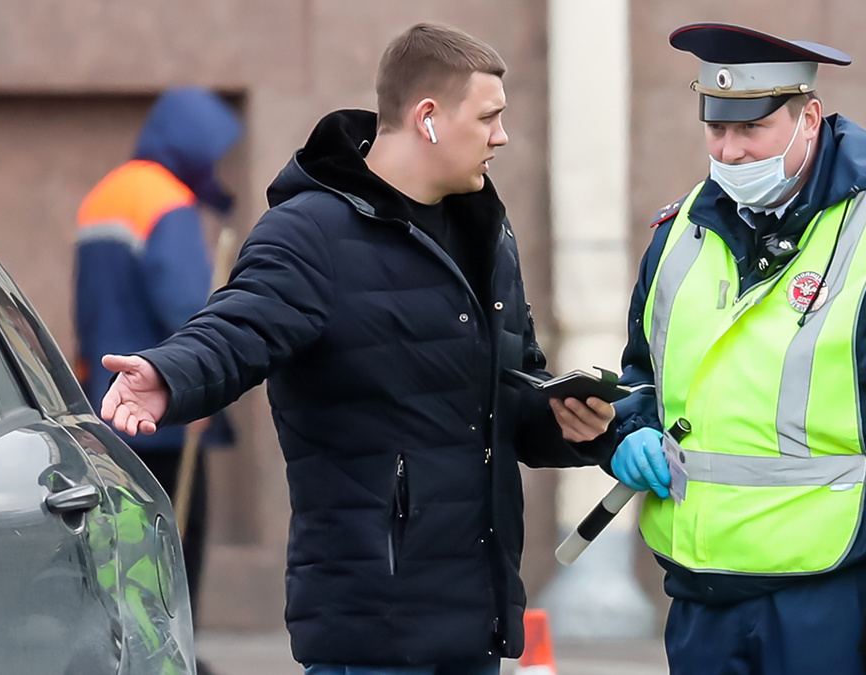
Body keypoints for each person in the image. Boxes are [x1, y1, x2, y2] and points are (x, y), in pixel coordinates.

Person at [99, 23, 616, 674]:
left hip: (473, 623)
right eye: (488, 118)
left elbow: (507, 388)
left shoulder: (485, 229)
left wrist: (569, 423)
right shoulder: (311, 231)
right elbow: (238, 324)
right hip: (371, 632)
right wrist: (169, 373)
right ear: (428, 118)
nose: (502, 137)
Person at [608, 23, 866, 675]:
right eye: (717, 128)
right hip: (700, 602)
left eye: (753, 129)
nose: (731, 151)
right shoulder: (678, 232)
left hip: (835, 598)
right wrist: (633, 427)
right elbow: (643, 371)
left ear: (810, 117)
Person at [74, 86, 241, 675]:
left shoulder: (104, 196)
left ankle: (131, 655)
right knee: (177, 536)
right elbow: (187, 307)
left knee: (124, 546)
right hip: (164, 406)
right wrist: (207, 375)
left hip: (107, 404)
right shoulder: (166, 202)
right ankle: (174, 658)